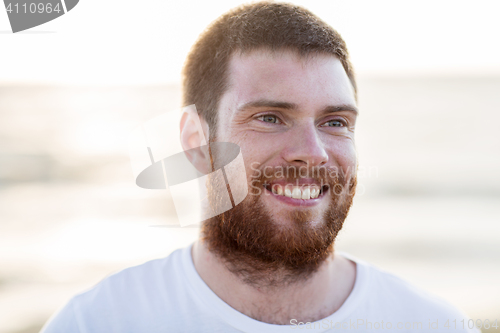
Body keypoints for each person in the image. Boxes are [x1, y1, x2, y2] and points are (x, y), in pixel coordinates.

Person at [41, 2, 478, 332]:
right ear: (196, 142)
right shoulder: (98, 322)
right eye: (269, 117)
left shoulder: (430, 325)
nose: (313, 152)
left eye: (335, 122)